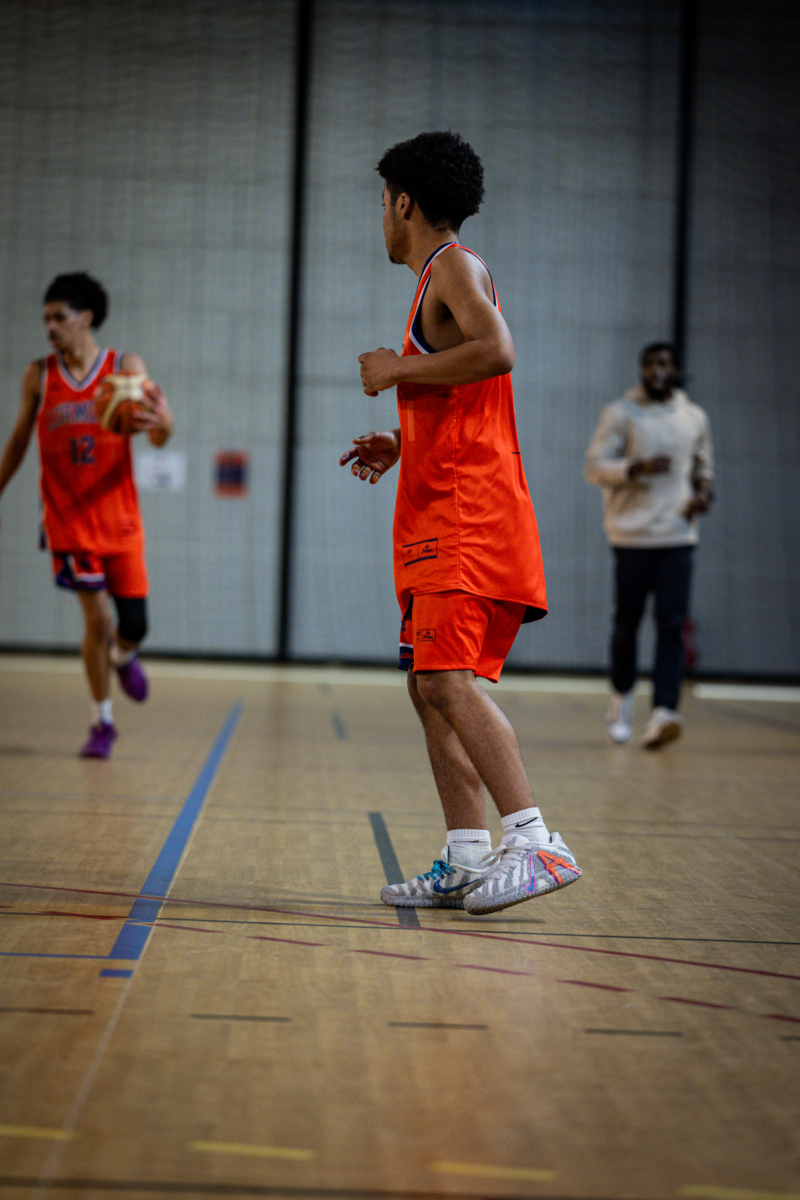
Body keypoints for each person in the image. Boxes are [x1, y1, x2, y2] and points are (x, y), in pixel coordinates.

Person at [339, 131, 582, 915]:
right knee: (427, 684)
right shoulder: (435, 281)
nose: (381, 216)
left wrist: (396, 368)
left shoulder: (452, 266)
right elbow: (468, 398)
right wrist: (404, 439)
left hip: (467, 519)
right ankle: (469, 852)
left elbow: (497, 351)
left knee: (448, 680)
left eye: (383, 202)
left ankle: (537, 841)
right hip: (438, 512)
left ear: (404, 203)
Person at [0, 272, 173, 758]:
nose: (50, 327)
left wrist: (166, 423)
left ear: (86, 317)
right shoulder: (39, 375)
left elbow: (157, 435)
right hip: (68, 521)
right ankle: (102, 723)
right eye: (46, 319)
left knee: (134, 625)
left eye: (59, 317)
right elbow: (19, 440)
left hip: (119, 519)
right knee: (96, 619)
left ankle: (125, 656)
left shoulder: (124, 368)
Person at [584, 342, 714, 748]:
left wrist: (703, 494)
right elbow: (594, 467)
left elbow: (703, 467)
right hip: (632, 535)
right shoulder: (621, 413)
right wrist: (636, 467)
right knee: (628, 623)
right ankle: (621, 700)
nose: (656, 370)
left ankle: (664, 712)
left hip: (677, 534)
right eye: (649, 364)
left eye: (664, 364)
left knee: (672, 624)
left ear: (675, 370)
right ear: (641, 369)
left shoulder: (693, 417)